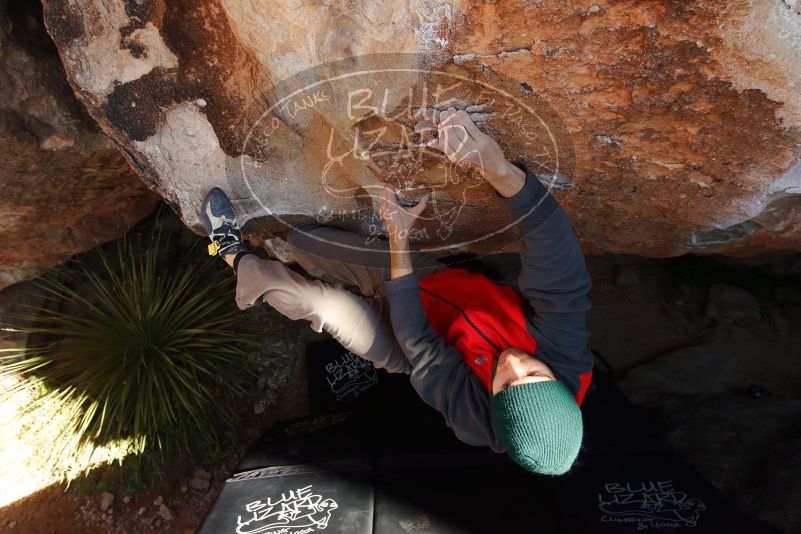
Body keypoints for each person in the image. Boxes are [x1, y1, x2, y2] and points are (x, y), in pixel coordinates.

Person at [200, 107, 593, 475]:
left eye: (506, 384)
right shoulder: (565, 352)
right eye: (535, 372)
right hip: (438, 285)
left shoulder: (474, 421)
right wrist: (499, 169)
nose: (512, 363)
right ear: (557, 378)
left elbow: (418, 342)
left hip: (402, 342)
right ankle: (294, 253)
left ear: (494, 405)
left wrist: (397, 236)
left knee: (319, 305)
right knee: (305, 241)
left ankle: (234, 256)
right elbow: (558, 259)